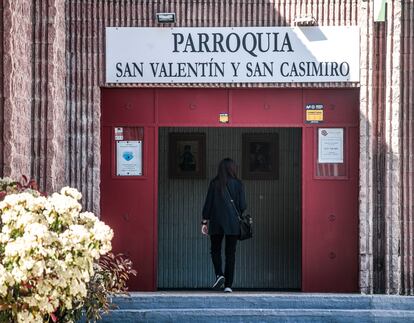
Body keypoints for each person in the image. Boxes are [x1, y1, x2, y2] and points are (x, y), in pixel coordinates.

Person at [201, 158, 247, 293]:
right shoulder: (238, 184)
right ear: (233, 169)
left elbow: (208, 204)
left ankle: (219, 274)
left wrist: (204, 222)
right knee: (230, 254)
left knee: (215, 250)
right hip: (233, 224)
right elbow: (243, 205)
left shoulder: (215, 183)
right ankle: (228, 285)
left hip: (216, 222)